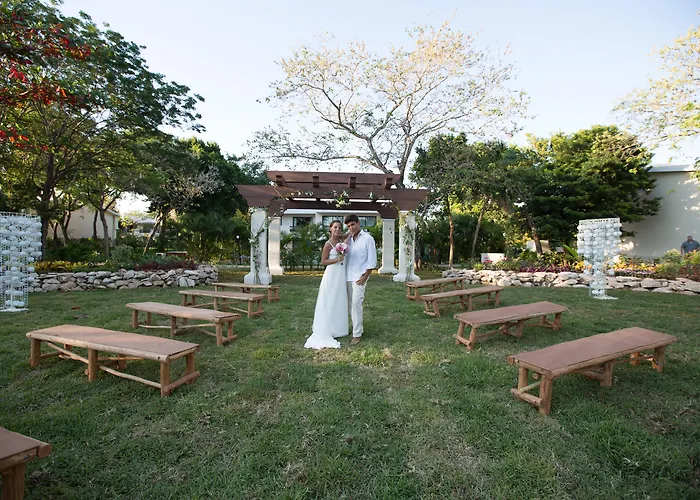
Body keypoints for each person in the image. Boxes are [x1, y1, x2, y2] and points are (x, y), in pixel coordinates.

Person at [304, 221, 349, 349]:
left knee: (339, 299)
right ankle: (328, 327)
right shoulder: (328, 244)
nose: (338, 229)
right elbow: (323, 261)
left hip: (341, 275)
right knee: (330, 299)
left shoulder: (341, 240)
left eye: (339, 227)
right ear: (330, 229)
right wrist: (337, 259)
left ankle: (339, 328)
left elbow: (350, 233)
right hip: (332, 274)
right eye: (335, 227)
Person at [344, 214, 377, 345]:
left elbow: (372, 259)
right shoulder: (348, 240)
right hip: (347, 276)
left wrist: (365, 276)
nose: (351, 228)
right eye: (348, 226)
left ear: (358, 223)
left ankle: (356, 334)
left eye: (352, 224)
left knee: (356, 304)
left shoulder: (368, 238)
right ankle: (356, 328)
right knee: (350, 305)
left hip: (359, 277)